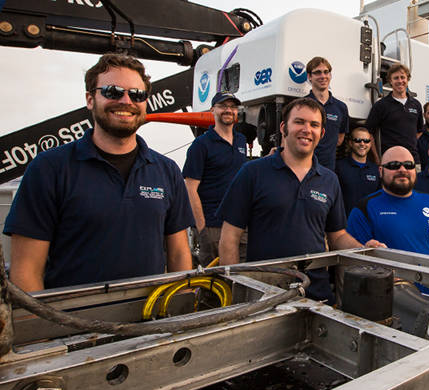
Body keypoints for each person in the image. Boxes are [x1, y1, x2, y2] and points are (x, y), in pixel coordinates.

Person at [3, 53, 194, 292]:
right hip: (73, 321)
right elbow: (26, 271)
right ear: (90, 99)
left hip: (151, 318)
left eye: (137, 94)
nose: (126, 101)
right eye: (113, 92)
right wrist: (47, 326)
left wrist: (182, 304)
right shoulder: (49, 169)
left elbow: (178, 254)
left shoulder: (166, 170)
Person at [217, 98, 379, 304]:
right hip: (265, 294)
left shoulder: (329, 180)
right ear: (284, 127)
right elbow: (229, 237)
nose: (306, 129)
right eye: (299, 122)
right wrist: (237, 292)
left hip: (316, 293)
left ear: (322, 133)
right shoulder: (253, 172)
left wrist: (363, 249)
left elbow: (337, 236)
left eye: (314, 125)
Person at [347, 146, 429, 260]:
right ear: (381, 171)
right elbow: (352, 261)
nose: (402, 170)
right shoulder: (364, 209)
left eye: (408, 165)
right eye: (394, 165)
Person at [183, 91, 249, 266]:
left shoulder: (241, 140)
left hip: (239, 225)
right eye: (223, 106)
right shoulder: (201, 145)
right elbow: (190, 189)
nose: (229, 110)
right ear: (213, 110)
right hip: (213, 226)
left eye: (233, 107)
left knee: (240, 279)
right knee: (214, 284)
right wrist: (202, 230)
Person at [366, 63, 423, 155]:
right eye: (396, 78)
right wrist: (377, 159)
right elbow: (369, 133)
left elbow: (419, 131)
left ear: (407, 79)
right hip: (390, 160)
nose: (400, 81)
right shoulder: (381, 105)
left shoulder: (416, 105)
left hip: (412, 160)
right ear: (390, 81)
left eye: (402, 77)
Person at [305, 56, 349, 171]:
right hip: (303, 166)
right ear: (309, 76)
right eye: (317, 73)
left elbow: (339, 140)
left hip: (328, 169)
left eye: (326, 72)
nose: (323, 76)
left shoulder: (341, 107)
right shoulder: (301, 105)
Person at [336, 127, 380, 215]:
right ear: (350, 143)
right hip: (345, 225)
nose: (362, 144)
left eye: (366, 141)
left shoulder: (376, 170)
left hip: (369, 224)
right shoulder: (338, 167)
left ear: (370, 144)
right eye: (358, 140)